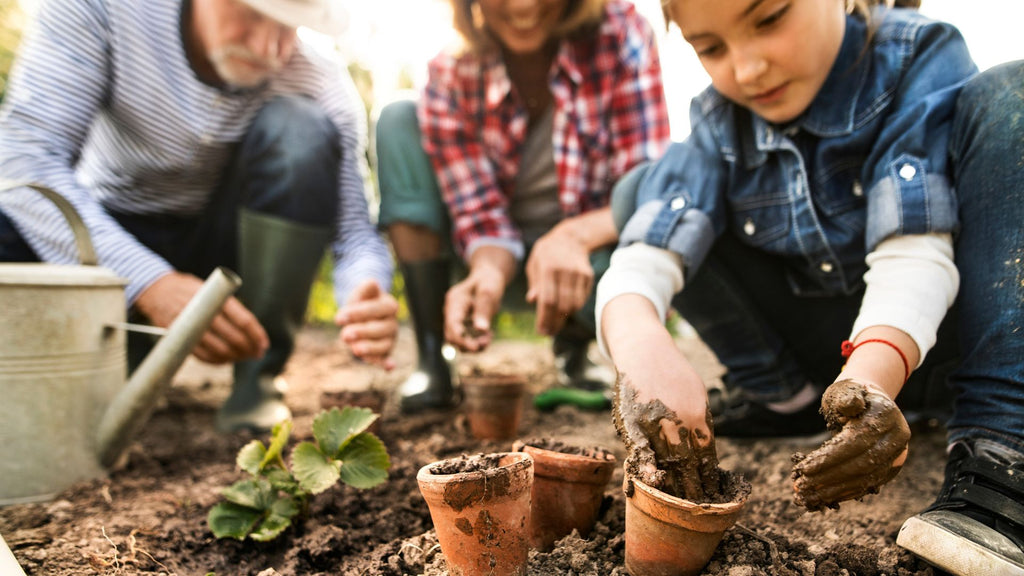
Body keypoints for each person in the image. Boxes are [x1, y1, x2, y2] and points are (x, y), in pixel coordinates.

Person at [596, 0, 1023, 573]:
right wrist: (643, 348)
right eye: (711, 48)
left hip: (940, 340)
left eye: (769, 19)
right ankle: (786, 400)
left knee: (1012, 95)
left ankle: (1001, 450)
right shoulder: (719, 118)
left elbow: (915, 250)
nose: (746, 70)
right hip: (829, 358)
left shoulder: (915, 57)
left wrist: (871, 378)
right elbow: (646, 253)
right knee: (641, 194)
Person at [0, 0, 399, 433]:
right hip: (110, 237)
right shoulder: (100, 9)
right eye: (252, 13)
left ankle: (257, 379)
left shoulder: (318, 78)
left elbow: (355, 233)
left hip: (227, 251)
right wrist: (150, 283)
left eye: (290, 26)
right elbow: (25, 159)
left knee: (301, 129)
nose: (269, 47)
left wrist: (364, 291)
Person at [373, 0, 671, 413]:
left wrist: (572, 237)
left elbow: (645, 187)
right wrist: (489, 270)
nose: (524, 4)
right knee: (398, 117)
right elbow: (479, 214)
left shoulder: (621, 32)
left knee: (656, 240)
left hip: (590, 261)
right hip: (495, 263)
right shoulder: (449, 72)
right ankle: (431, 353)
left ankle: (575, 345)